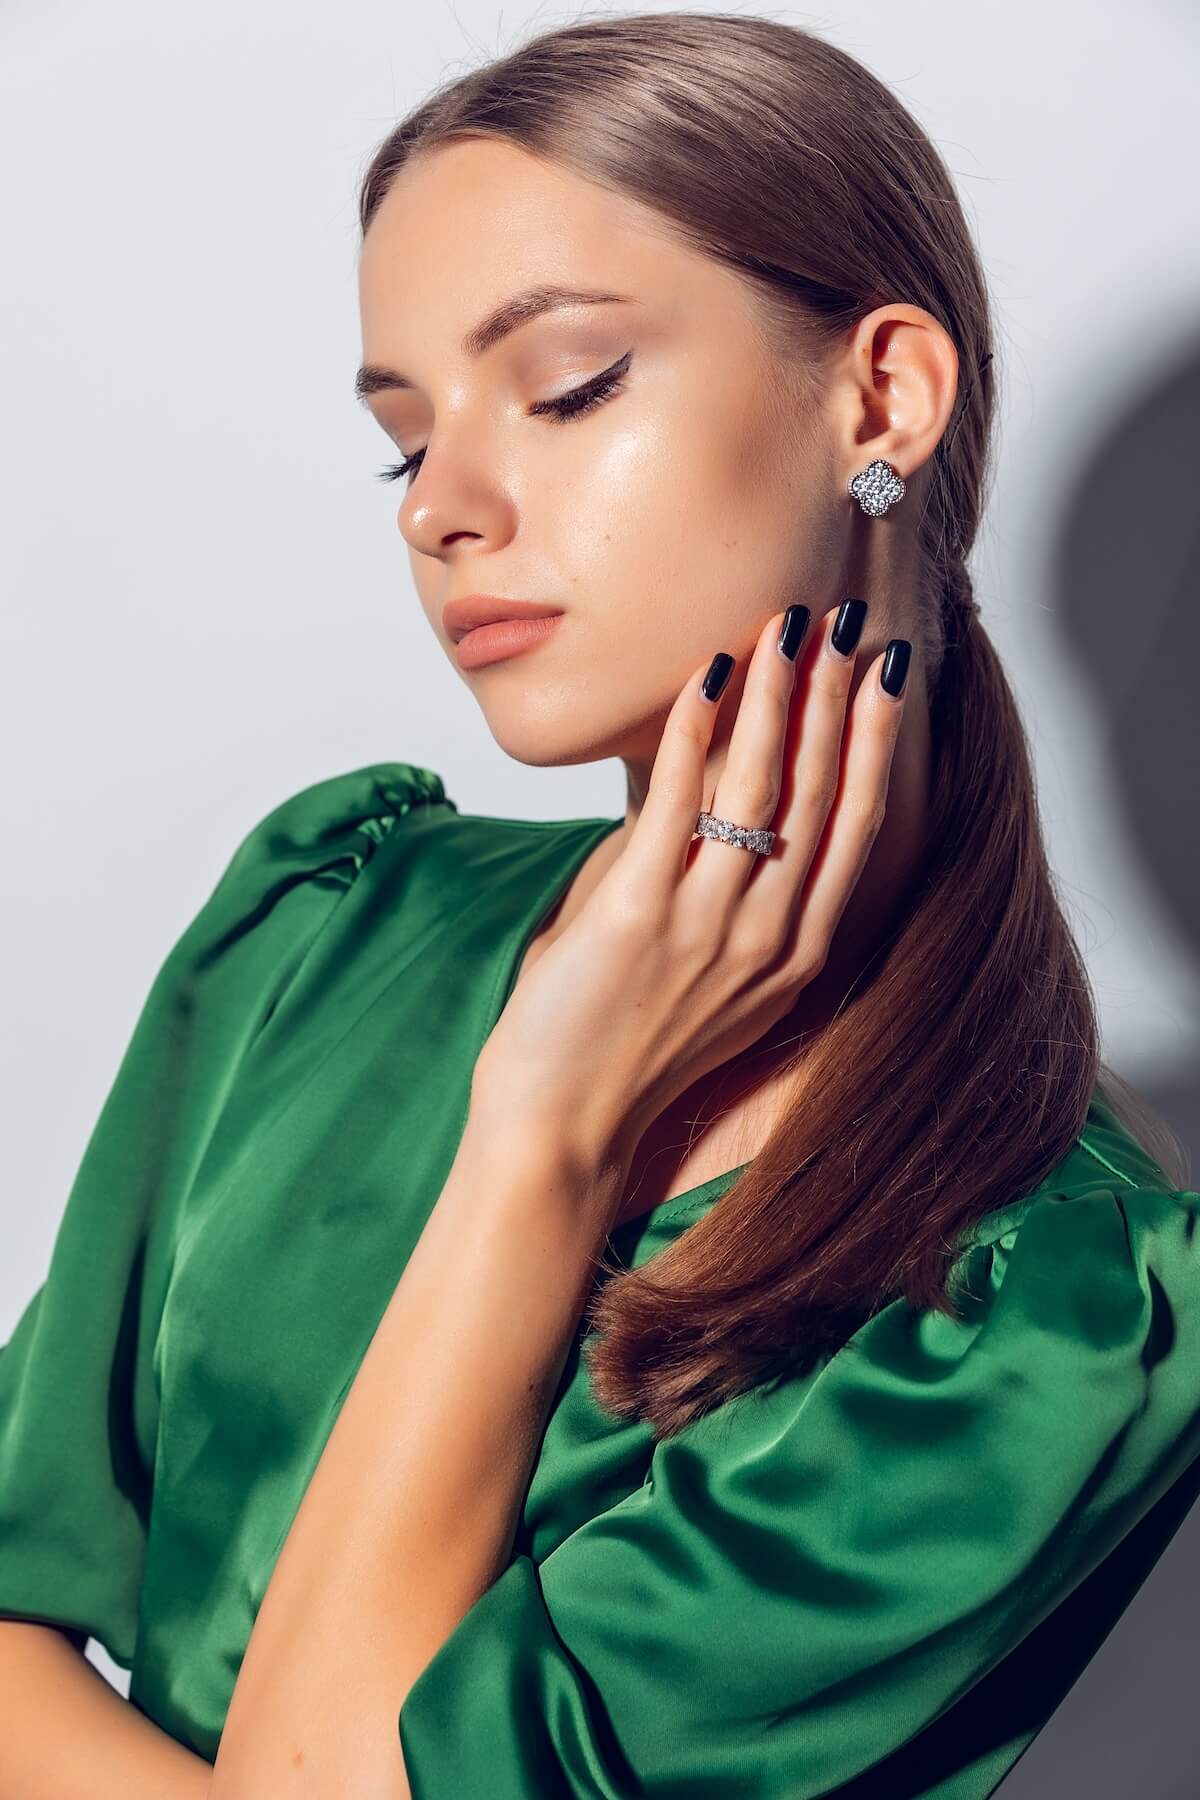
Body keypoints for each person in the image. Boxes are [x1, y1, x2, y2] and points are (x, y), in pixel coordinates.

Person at [1, 12, 1197, 1798]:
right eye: (403, 442)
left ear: (882, 400)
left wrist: (546, 1130)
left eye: (565, 386)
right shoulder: (334, 918)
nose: (439, 510)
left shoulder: (1035, 1323)